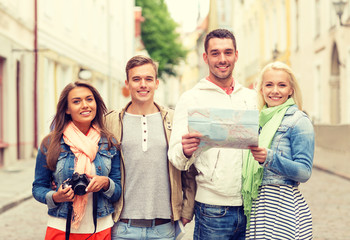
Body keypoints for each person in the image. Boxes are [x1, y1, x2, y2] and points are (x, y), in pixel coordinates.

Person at [168, 28, 257, 240]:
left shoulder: (251, 98)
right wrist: (185, 151)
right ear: (205, 57)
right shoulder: (191, 99)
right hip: (212, 209)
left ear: (236, 55)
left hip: (252, 207)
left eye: (228, 52)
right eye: (215, 53)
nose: (222, 59)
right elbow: (175, 156)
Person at [105, 55, 194, 240]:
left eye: (148, 79)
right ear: (127, 83)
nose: (143, 84)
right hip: (122, 227)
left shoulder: (173, 119)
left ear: (157, 83)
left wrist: (187, 208)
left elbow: (188, 167)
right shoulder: (110, 121)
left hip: (164, 228)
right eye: (136, 79)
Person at [32, 81, 122, 240]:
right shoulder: (50, 143)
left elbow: (117, 192)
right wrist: (55, 197)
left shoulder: (109, 143)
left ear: (96, 103)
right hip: (61, 228)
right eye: (76, 101)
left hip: (100, 228)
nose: (85, 105)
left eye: (89, 99)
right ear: (66, 109)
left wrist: (106, 183)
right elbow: (38, 187)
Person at [243, 61, 314, 239]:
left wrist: (270, 158)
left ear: (291, 90)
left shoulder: (299, 120)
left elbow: (304, 172)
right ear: (261, 89)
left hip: (283, 208)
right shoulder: (258, 120)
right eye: (269, 84)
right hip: (259, 207)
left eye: (282, 85)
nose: (275, 90)